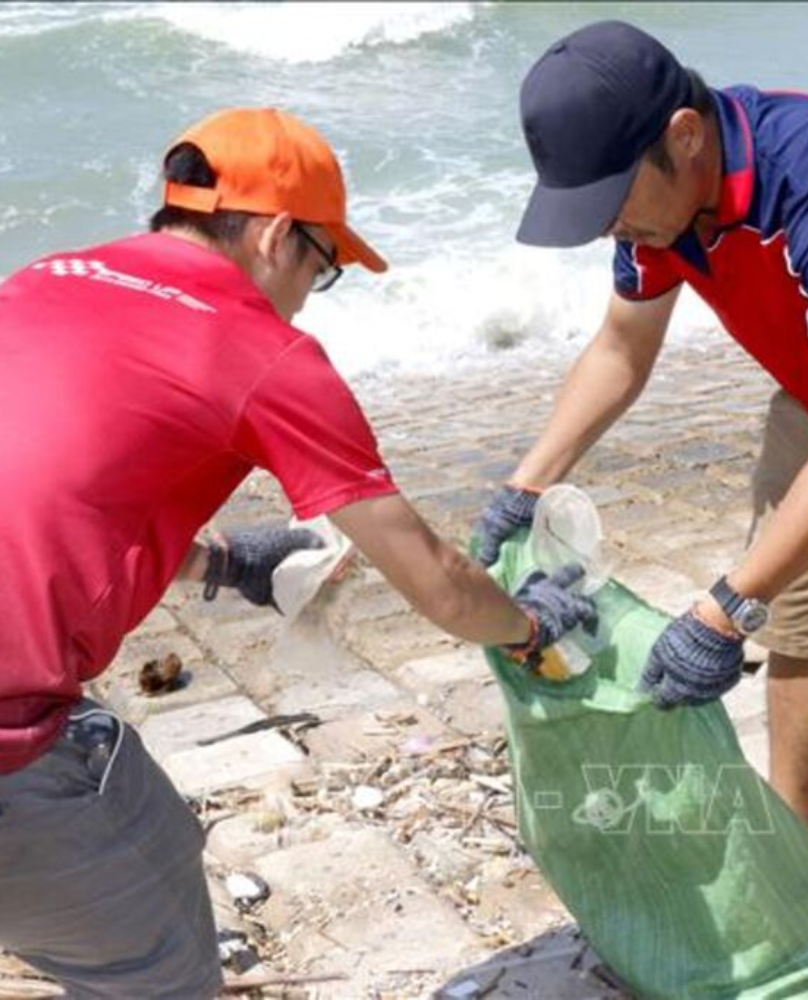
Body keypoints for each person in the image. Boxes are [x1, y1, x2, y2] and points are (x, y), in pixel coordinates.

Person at [0, 107, 596, 999]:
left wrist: (226, 565)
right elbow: (433, 579)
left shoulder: (44, 279)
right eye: (325, 269)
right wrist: (527, 625)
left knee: (161, 838)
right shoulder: (259, 348)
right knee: (156, 974)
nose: (311, 292)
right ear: (280, 236)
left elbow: (60, 499)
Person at [475, 20, 808, 1000]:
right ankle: (789, 845)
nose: (601, 228)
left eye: (606, 201)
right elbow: (621, 351)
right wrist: (526, 482)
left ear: (682, 135)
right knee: (799, 622)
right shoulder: (661, 211)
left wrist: (722, 607)